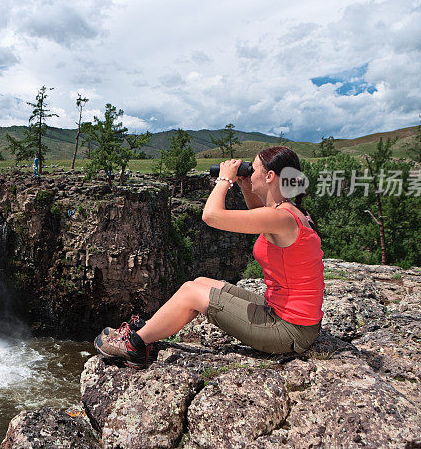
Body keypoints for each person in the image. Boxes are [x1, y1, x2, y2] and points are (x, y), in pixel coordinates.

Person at [94, 146, 324, 368]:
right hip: (287, 315)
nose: (249, 174)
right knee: (201, 283)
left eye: (253, 170)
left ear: (270, 176)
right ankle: (149, 330)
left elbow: (211, 216)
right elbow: (260, 219)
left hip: (289, 329)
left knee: (190, 292)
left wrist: (224, 179)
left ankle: (134, 346)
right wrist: (244, 185)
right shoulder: (291, 213)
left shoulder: (281, 219)